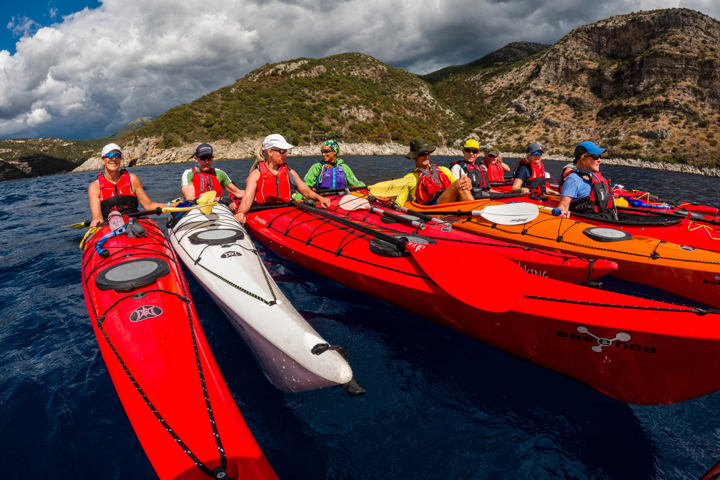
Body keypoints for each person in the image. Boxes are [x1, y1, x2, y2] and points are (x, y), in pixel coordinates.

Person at [234, 134, 332, 223]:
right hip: (263, 213)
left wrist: (321, 198)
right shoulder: (256, 174)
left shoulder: (289, 172)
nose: (285, 154)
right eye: (282, 151)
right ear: (270, 152)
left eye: (285, 151)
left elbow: (306, 192)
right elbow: (247, 200)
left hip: (286, 211)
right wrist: (241, 212)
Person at [88, 143, 175, 227]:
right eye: (110, 156)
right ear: (103, 160)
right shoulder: (95, 187)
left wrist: (171, 205)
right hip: (110, 226)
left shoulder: (132, 179)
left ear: (120, 159)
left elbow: (148, 205)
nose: (114, 159)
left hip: (134, 222)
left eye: (117, 155)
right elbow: (98, 217)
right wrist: (96, 220)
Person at [394, 138, 473, 206]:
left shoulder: (443, 169)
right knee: (459, 183)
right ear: (414, 157)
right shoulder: (409, 178)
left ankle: (474, 212)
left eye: (428, 153)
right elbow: (399, 202)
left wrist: (467, 181)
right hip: (432, 207)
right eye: (422, 154)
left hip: (448, 203)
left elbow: (459, 185)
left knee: (462, 183)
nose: (426, 156)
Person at [556, 141, 616, 220]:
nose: (599, 160)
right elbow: (562, 207)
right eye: (595, 157)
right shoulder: (573, 179)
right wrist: (562, 212)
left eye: (600, 156)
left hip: (606, 219)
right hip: (588, 225)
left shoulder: (594, 177)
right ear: (583, 159)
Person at [181, 143, 245, 205]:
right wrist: (220, 199)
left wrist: (252, 194)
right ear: (196, 159)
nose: (206, 161)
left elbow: (237, 193)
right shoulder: (189, 173)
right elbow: (190, 198)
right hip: (196, 207)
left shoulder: (219, 173)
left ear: (212, 158)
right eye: (203, 158)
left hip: (217, 207)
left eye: (209, 158)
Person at [301, 139, 365, 191]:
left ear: (335, 152)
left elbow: (357, 184)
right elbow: (306, 186)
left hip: (340, 200)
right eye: (322, 151)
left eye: (326, 151)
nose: (323, 154)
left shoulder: (344, 168)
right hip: (322, 199)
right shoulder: (317, 167)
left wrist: (366, 190)